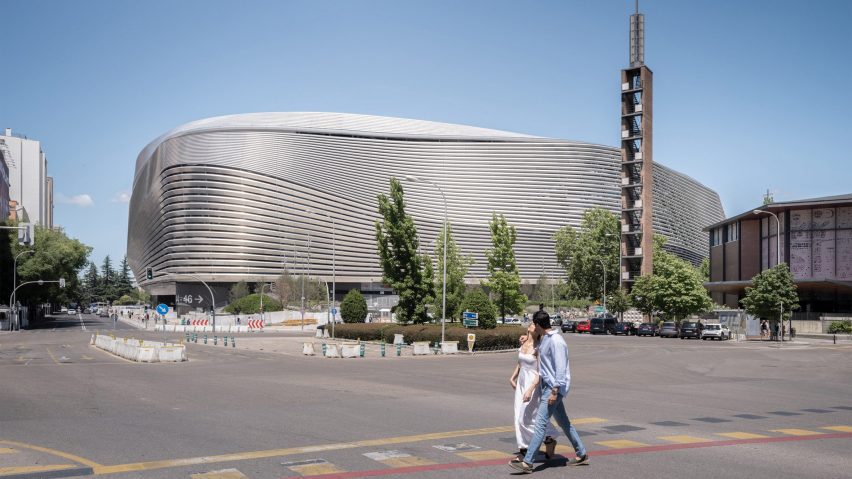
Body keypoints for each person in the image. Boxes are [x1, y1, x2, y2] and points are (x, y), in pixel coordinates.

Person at [509, 309, 588, 473]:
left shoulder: (557, 341)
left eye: (533, 324)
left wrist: (554, 391)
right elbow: (537, 354)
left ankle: (527, 462)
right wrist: (526, 339)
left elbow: (560, 369)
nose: (532, 326)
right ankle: (581, 453)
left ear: (538, 324)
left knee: (540, 424)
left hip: (553, 388)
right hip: (547, 386)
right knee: (565, 424)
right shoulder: (545, 339)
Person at [509, 323, 557, 460]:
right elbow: (520, 363)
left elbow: (540, 372)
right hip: (521, 383)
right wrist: (513, 377)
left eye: (535, 325)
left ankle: (549, 436)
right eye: (531, 324)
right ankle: (524, 447)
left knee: (527, 417)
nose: (532, 325)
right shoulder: (523, 342)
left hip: (533, 384)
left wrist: (530, 389)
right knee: (518, 415)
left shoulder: (538, 347)